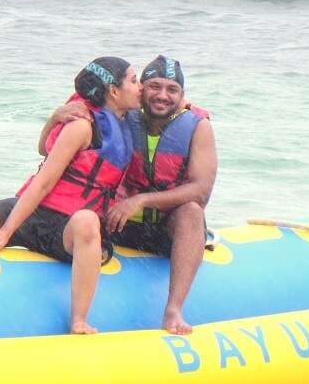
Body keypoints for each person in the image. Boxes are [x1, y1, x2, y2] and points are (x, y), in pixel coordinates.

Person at [0, 57, 142, 334]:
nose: (139, 87)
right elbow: (44, 167)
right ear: (113, 92)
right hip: (34, 211)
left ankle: (78, 320)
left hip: (69, 230)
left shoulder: (129, 121)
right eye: (134, 80)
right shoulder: (81, 123)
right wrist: (6, 232)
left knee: (87, 221)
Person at [40, 56, 217, 335]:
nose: (162, 95)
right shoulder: (121, 115)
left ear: (182, 95)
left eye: (172, 90)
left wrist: (141, 200)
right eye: (154, 86)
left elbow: (201, 190)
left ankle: (173, 310)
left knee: (192, 210)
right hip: (115, 224)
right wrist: (55, 116)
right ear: (141, 88)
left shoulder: (197, 127)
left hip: (163, 229)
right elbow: (87, 102)